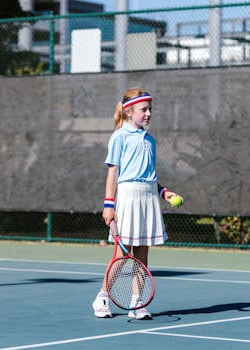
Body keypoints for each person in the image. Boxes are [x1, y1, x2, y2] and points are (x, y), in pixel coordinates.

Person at [92, 87, 179, 320]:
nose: (149, 113)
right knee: (122, 255)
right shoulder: (119, 136)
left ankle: (136, 302)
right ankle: (102, 298)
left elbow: (149, 175)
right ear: (129, 112)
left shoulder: (150, 140)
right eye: (144, 109)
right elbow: (114, 173)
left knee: (142, 256)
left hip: (148, 198)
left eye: (150, 109)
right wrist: (109, 204)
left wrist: (164, 193)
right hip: (127, 197)